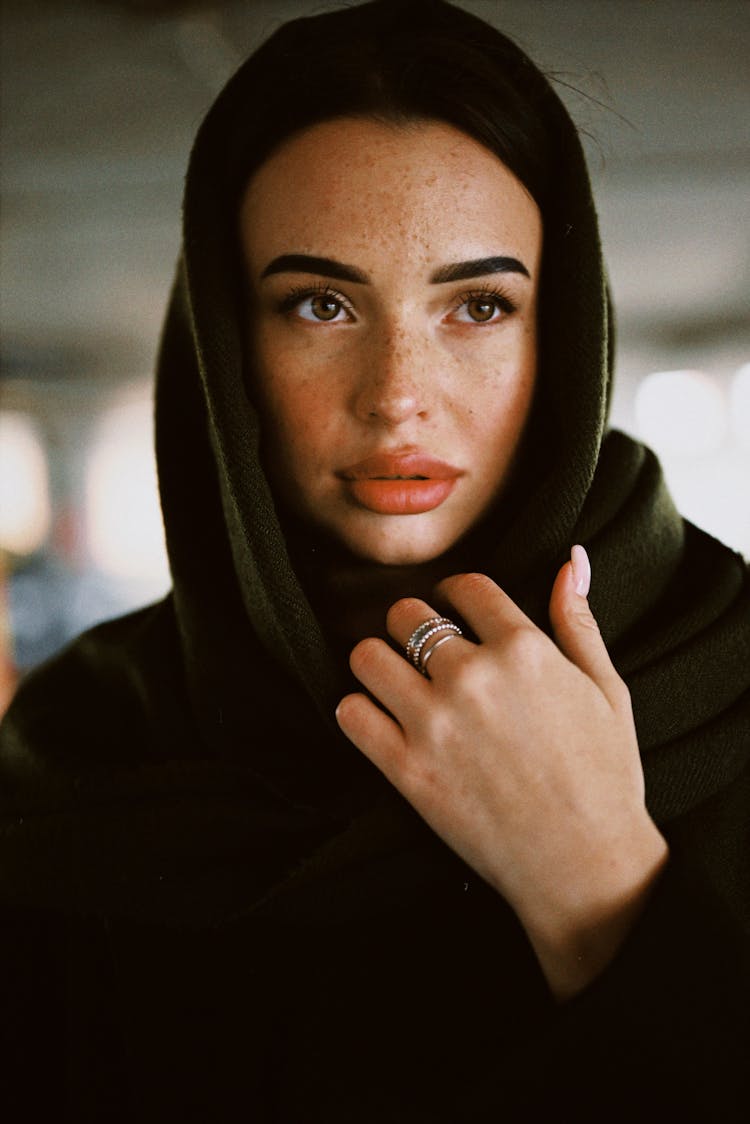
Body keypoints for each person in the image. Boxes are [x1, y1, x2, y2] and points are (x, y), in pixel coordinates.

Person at [1, 1, 748, 1119]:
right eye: (321, 303)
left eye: (480, 305)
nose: (398, 393)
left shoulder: (732, 675)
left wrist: (596, 884)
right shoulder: (79, 748)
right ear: (223, 342)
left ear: (566, 330)